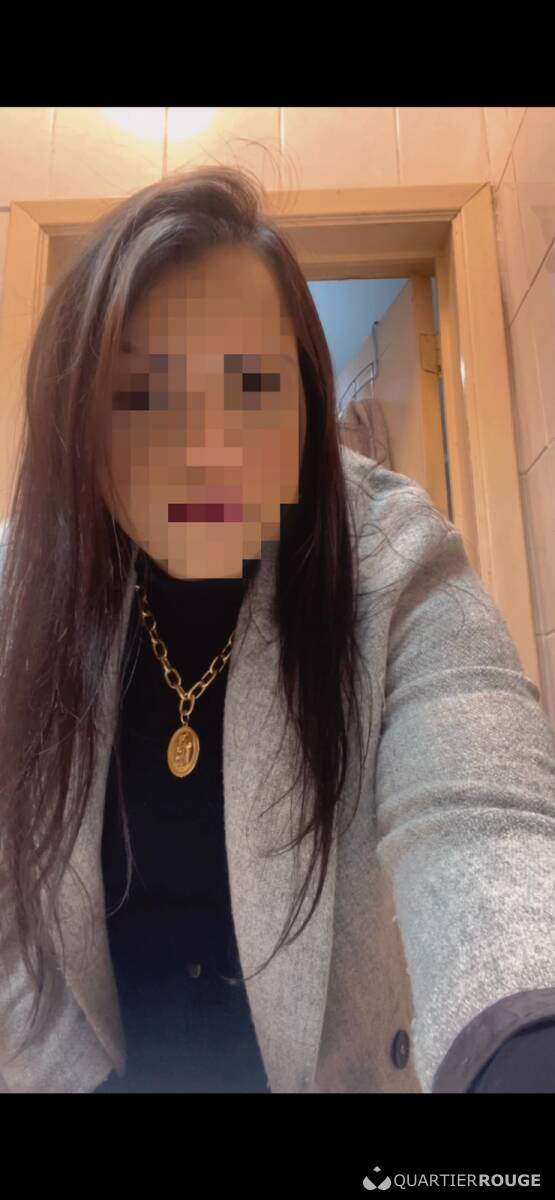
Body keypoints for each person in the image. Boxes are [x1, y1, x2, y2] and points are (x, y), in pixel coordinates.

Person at [0, 164, 554, 1095]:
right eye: (144, 393)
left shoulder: (391, 557)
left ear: (306, 406)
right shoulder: (24, 587)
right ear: (80, 424)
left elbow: (482, 822)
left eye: (252, 385)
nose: (206, 448)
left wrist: (520, 1044)